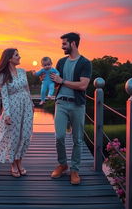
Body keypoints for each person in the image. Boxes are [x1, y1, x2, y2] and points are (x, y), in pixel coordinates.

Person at [0, 48, 34, 177]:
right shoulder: (3, 76)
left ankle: (19, 160)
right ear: (9, 58)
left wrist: (31, 103)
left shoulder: (22, 72)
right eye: (17, 55)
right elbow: (4, 96)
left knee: (25, 135)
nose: (19, 57)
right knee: (15, 136)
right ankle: (13, 164)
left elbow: (27, 88)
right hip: (14, 107)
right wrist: (7, 114)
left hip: (26, 105)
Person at [50, 32, 92, 185]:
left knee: (77, 139)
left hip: (77, 105)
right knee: (59, 136)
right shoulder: (61, 62)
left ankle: (74, 170)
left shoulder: (85, 63)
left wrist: (62, 80)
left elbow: (83, 85)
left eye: (64, 44)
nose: (62, 47)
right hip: (60, 102)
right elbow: (57, 83)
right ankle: (63, 164)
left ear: (73, 44)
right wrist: (50, 81)